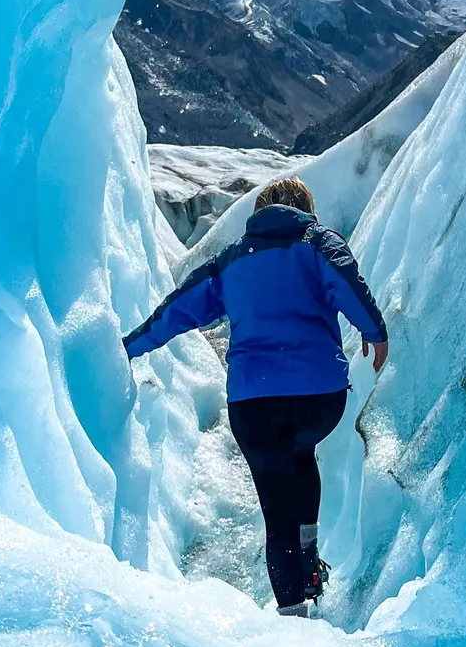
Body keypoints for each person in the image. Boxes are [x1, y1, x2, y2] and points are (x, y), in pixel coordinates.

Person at [123, 176, 389, 617]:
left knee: (275, 506)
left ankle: (292, 613)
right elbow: (348, 282)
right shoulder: (318, 241)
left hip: (255, 405)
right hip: (318, 401)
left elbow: (177, 310)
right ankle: (309, 563)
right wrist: (375, 331)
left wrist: (129, 347)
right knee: (302, 455)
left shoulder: (233, 260)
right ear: (306, 209)